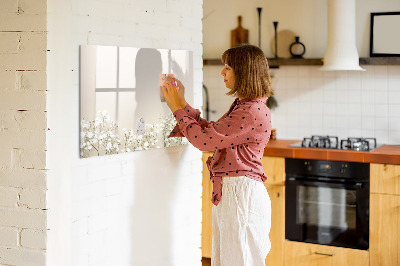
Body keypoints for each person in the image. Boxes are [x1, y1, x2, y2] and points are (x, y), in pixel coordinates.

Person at [161, 44, 273, 266]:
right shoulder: (246, 106)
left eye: (228, 67)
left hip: (241, 195)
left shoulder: (250, 111)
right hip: (236, 193)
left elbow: (204, 141)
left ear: (244, 72)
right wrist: (182, 103)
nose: (222, 72)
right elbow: (212, 133)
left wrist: (176, 108)